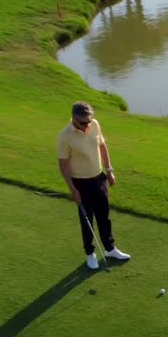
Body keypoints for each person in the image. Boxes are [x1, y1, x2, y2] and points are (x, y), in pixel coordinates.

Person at [57, 101, 130, 269]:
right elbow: (63, 165)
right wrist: (72, 189)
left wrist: (109, 170)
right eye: (83, 123)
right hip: (80, 182)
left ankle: (110, 248)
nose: (87, 125)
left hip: (99, 178)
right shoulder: (64, 136)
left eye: (89, 121)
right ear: (74, 119)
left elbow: (102, 146)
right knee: (87, 219)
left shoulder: (94, 124)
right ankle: (90, 253)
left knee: (104, 216)